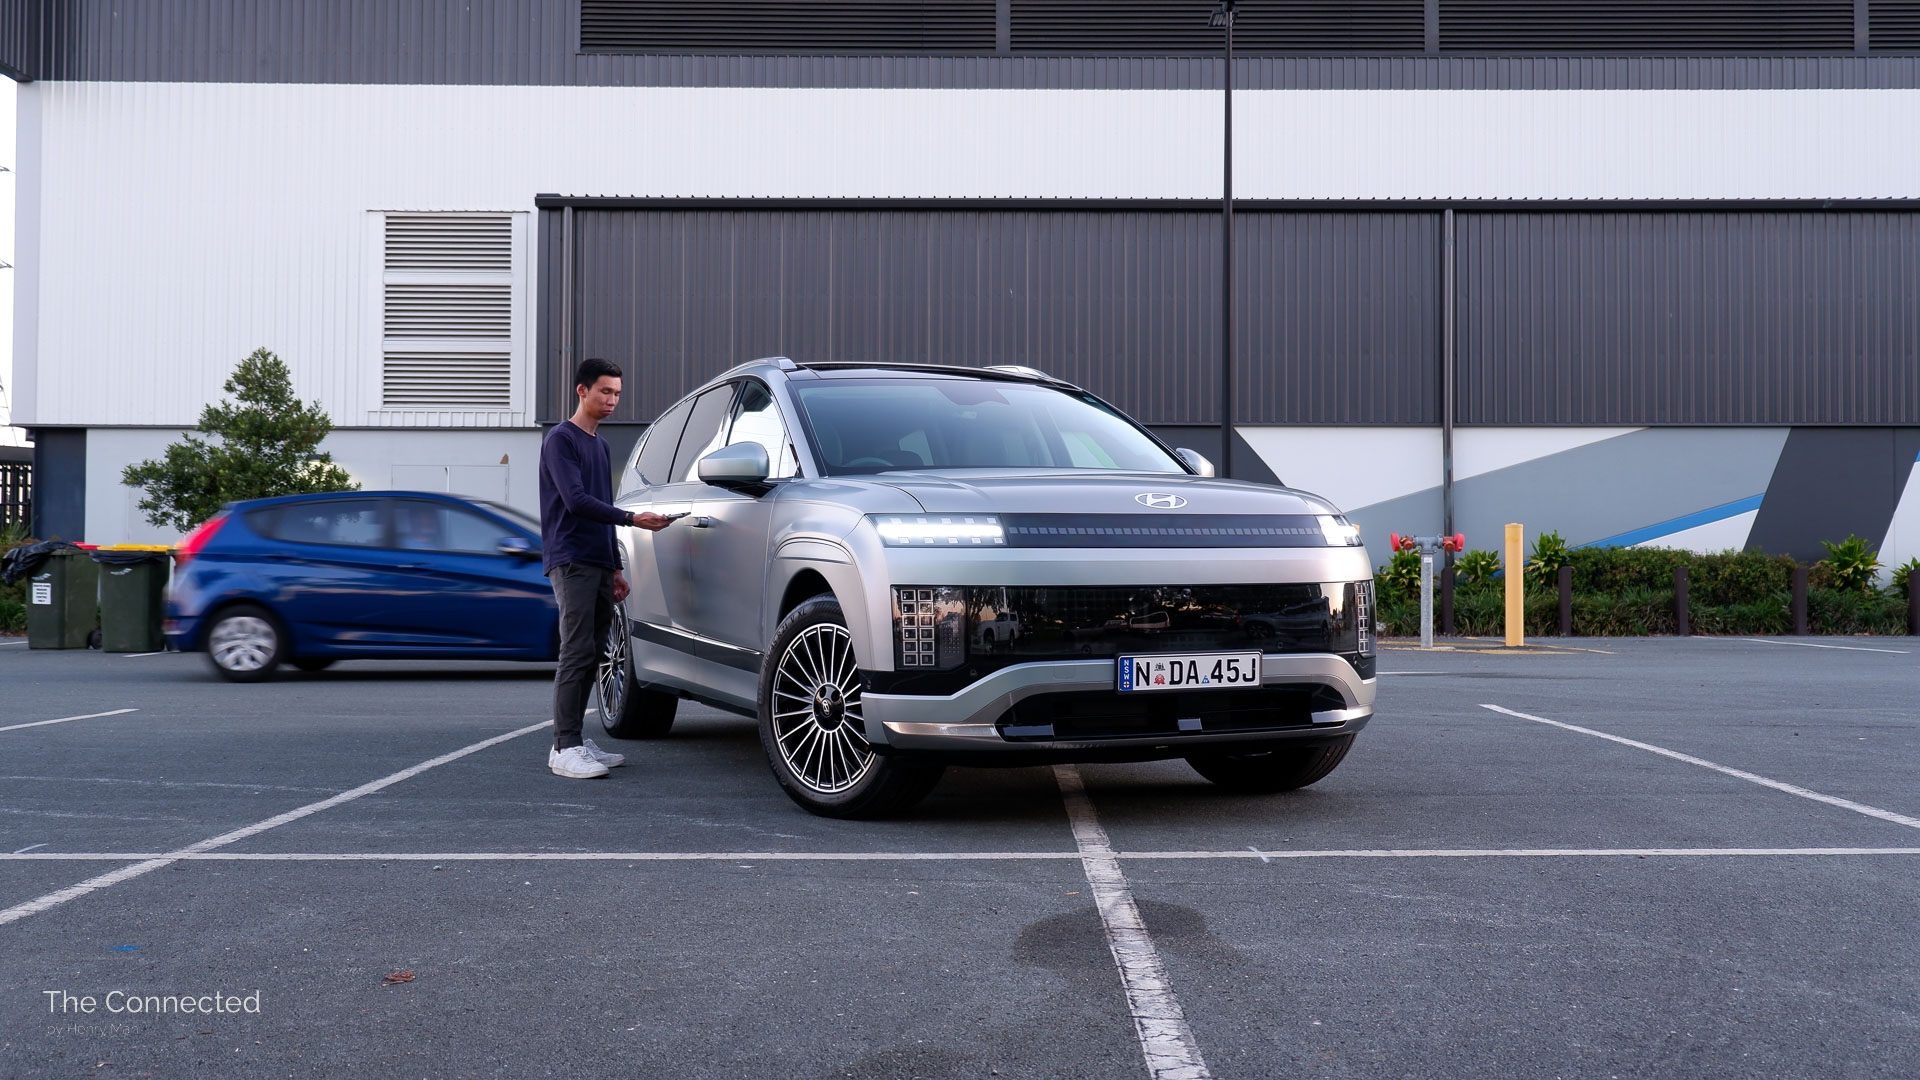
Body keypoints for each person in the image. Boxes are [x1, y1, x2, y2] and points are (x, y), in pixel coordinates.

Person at [540, 357, 674, 778]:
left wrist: (615, 567)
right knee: (576, 652)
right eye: (605, 391)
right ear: (582, 390)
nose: (613, 399)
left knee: (595, 652)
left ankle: (575, 739)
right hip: (571, 558)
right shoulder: (561, 439)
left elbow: (599, 508)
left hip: (598, 560)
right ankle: (563, 747)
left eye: (617, 393)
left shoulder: (599, 444)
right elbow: (577, 501)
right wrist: (634, 520)